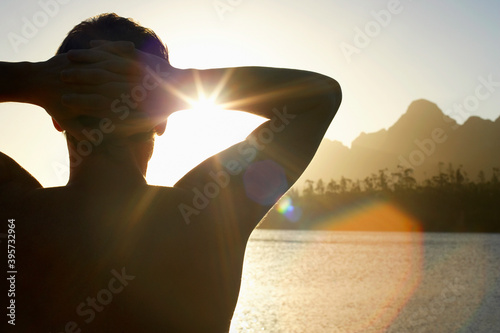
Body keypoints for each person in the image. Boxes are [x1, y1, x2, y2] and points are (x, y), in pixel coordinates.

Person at [0, 13, 341, 333]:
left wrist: (30, 78)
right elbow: (317, 99)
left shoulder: (12, 213)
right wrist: (178, 83)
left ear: (55, 116)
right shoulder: (206, 213)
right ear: (162, 118)